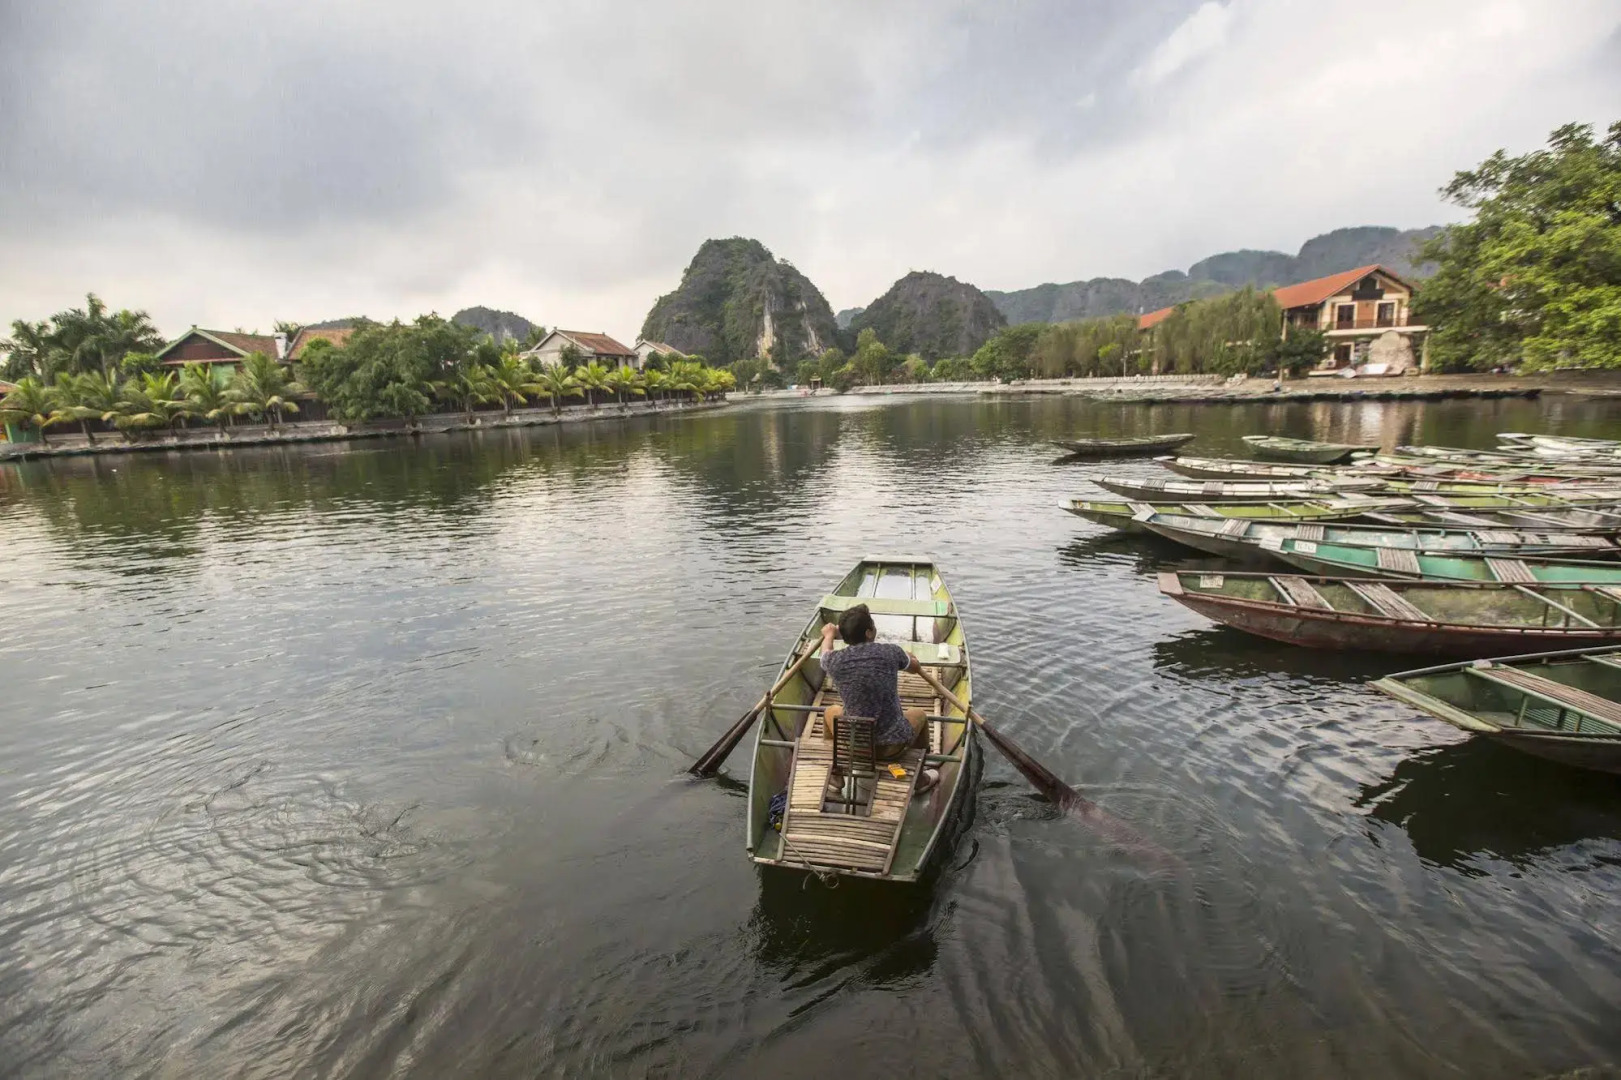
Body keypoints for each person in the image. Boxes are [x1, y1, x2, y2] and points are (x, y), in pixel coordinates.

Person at [817, 604, 938, 791]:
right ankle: (920, 779)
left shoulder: (835, 660)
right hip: (892, 746)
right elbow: (914, 667)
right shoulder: (890, 652)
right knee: (919, 715)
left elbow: (824, 653)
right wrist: (908, 656)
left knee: (830, 712)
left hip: (854, 746)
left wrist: (829, 635)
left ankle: (836, 775)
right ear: (869, 632)